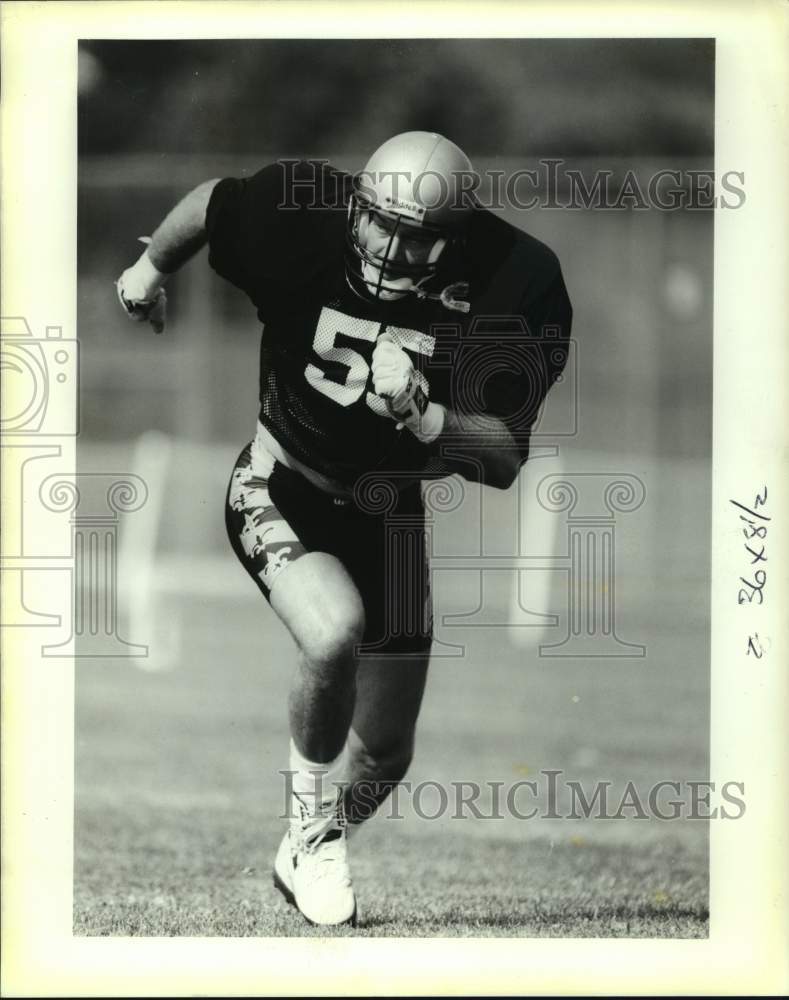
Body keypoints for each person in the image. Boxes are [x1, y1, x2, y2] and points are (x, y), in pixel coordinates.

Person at [116, 131, 572, 927]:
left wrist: (423, 412)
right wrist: (150, 271)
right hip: (282, 479)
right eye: (378, 224)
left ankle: (308, 841)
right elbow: (213, 205)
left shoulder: (515, 280)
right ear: (353, 208)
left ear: (454, 241)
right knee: (333, 636)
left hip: (390, 513)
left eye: (417, 237)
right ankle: (311, 836)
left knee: (386, 756)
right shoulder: (298, 212)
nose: (391, 251)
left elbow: (501, 458)